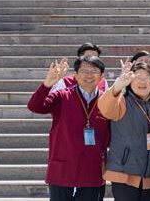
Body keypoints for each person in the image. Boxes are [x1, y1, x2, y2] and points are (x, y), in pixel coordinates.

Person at [28, 55, 110, 201]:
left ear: (102, 76)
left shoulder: (107, 101)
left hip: (92, 170)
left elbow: (109, 136)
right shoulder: (62, 96)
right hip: (62, 168)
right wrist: (47, 84)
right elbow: (35, 106)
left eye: (94, 71)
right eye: (84, 71)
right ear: (76, 75)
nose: (89, 75)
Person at [99, 60, 150, 201]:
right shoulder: (122, 101)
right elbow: (105, 108)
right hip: (124, 173)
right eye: (137, 77)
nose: (142, 81)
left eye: (147, 77)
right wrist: (118, 85)